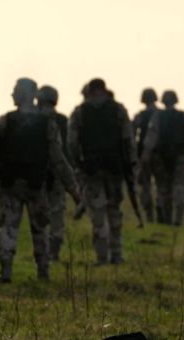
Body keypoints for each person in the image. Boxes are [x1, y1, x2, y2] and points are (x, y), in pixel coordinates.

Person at [0, 79, 79, 282]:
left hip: (10, 184)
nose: (12, 94)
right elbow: (58, 159)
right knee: (40, 228)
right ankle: (43, 272)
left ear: (23, 94)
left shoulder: (6, 121)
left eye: (15, 91)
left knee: (7, 228)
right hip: (36, 185)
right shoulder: (47, 124)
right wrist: (72, 187)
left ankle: (5, 273)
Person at [68, 78, 136, 265]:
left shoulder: (80, 111)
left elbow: (72, 143)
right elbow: (128, 139)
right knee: (114, 211)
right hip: (115, 169)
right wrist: (130, 164)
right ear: (105, 90)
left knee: (98, 214)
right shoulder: (119, 109)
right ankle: (117, 254)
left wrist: (78, 163)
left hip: (91, 170)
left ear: (89, 91)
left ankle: (102, 257)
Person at [36, 85, 81, 264]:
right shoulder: (62, 120)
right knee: (57, 214)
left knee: (40, 214)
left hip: (37, 173)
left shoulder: (33, 118)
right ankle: (53, 252)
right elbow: (68, 149)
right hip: (58, 173)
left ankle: (43, 251)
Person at [143, 90, 184, 226]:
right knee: (179, 186)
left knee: (162, 188)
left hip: (161, 158)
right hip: (179, 157)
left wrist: (146, 154)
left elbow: (151, 138)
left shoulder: (158, 116)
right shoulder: (183, 116)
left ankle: (165, 218)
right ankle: (177, 219)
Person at [133, 88, 159, 222]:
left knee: (145, 186)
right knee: (162, 186)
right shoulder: (161, 114)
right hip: (160, 156)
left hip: (143, 155)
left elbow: (131, 134)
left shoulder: (140, 116)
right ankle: (163, 216)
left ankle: (150, 216)